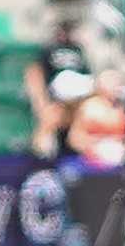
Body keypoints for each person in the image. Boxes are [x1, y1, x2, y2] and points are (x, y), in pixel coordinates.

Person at [24, 19, 93, 158]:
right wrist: (42, 102)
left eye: (70, 30)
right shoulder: (48, 49)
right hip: (57, 92)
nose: (67, 34)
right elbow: (34, 74)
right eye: (64, 30)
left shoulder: (78, 50)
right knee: (54, 115)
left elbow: (87, 75)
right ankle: (43, 147)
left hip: (76, 95)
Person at [68, 68, 125, 168]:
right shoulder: (88, 107)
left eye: (118, 83)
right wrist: (98, 145)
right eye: (111, 83)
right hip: (93, 161)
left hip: (122, 159)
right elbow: (74, 139)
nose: (116, 86)